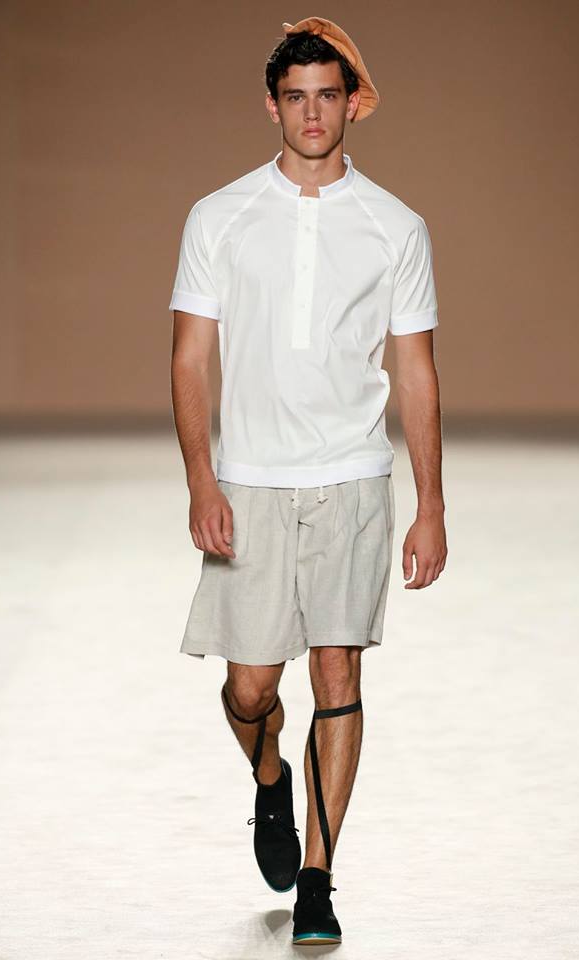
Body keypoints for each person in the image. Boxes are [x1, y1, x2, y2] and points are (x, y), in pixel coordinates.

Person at [168, 15, 447, 946]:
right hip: (249, 480)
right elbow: (189, 358)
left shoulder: (395, 226)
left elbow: (415, 371)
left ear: (352, 104)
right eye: (296, 97)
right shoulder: (219, 216)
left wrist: (432, 504)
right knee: (250, 689)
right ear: (272, 106)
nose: (313, 114)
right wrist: (202, 480)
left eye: (328, 95)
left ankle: (320, 880)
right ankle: (270, 776)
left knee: (337, 671)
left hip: (353, 478)